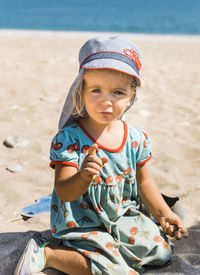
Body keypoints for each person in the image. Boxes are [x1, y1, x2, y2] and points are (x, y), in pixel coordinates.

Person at [14, 36, 188, 275]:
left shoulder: (136, 138)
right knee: (114, 271)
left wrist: (164, 214)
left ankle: (112, 250)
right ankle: (47, 253)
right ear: (81, 91)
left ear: (131, 96)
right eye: (96, 90)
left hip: (122, 217)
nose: (106, 101)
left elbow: (143, 182)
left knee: (161, 253)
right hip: (83, 222)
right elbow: (64, 190)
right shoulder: (70, 138)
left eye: (118, 92)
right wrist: (84, 176)